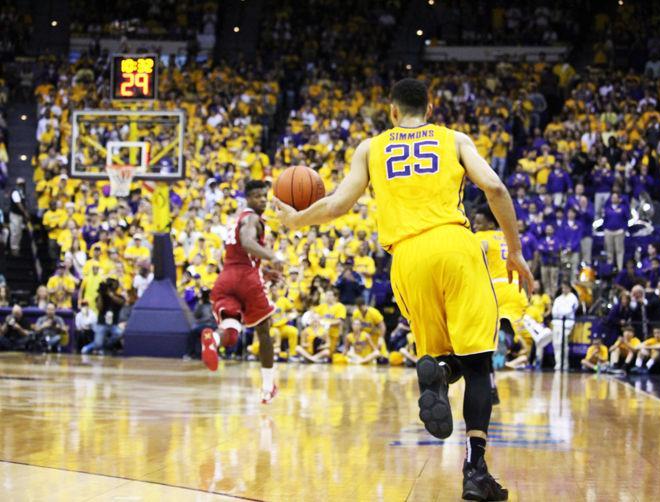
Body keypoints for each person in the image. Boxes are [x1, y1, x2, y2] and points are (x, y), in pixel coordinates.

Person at [275, 78, 532, 500]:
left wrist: (296, 221)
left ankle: (441, 373)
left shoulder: (371, 149)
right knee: (480, 365)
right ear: (429, 109)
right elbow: (496, 188)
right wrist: (515, 251)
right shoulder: (454, 139)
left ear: (392, 112)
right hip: (455, 248)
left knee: (447, 355)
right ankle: (475, 470)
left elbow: (338, 204)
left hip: (407, 260)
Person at [206, 180, 283, 404]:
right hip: (246, 277)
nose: (262, 200)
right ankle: (268, 386)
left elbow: (239, 253)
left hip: (226, 277)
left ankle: (213, 342)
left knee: (230, 328)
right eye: (258, 196)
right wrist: (273, 257)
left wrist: (262, 272)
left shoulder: (235, 220)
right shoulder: (252, 219)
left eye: (264, 196)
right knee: (264, 331)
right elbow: (248, 243)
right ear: (247, 199)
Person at [474, 205, 531, 401]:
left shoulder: (482, 237)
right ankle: (492, 389)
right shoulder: (508, 238)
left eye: (479, 223)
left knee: (484, 345)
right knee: (505, 327)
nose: (475, 225)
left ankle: (498, 349)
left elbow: (475, 254)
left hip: (495, 290)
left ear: (490, 223)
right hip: (515, 289)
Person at [81, 278, 125, 355]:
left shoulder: (119, 297)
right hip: (102, 323)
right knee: (98, 344)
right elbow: (99, 307)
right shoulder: (101, 297)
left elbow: (121, 302)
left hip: (113, 324)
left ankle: (104, 345)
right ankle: (88, 347)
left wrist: (110, 294)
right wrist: (101, 294)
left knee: (120, 333)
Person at [550, 282, 579, 371]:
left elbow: (569, 311)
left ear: (569, 288)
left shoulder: (573, 298)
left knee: (563, 344)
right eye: (563, 288)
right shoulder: (558, 299)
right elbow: (554, 311)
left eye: (566, 288)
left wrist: (561, 312)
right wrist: (560, 313)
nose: (564, 290)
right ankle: (558, 363)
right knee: (556, 344)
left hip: (567, 324)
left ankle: (564, 364)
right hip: (557, 323)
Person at [183, 288, 217, 360]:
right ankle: (191, 354)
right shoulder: (200, 305)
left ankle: (216, 354)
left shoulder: (213, 305)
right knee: (192, 332)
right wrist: (200, 305)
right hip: (202, 325)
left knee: (217, 334)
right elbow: (195, 315)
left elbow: (216, 317)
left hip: (212, 325)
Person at [351, 297, 388, 363]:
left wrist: (381, 338)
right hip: (365, 338)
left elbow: (382, 326)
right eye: (359, 308)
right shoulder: (356, 313)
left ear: (365, 305)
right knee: (366, 358)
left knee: (383, 360)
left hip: (376, 336)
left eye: (361, 308)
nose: (361, 310)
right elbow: (355, 327)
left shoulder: (374, 312)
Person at [9, 177, 30, 256]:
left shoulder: (22, 192)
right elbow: (18, 203)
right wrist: (25, 213)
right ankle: (14, 248)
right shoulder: (15, 191)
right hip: (15, 215)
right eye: (20, 184)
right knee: (15, 232)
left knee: (19, 233)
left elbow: (24, 202)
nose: (22, 185)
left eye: (23, 183)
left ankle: (17, 247)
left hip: (20, 215)